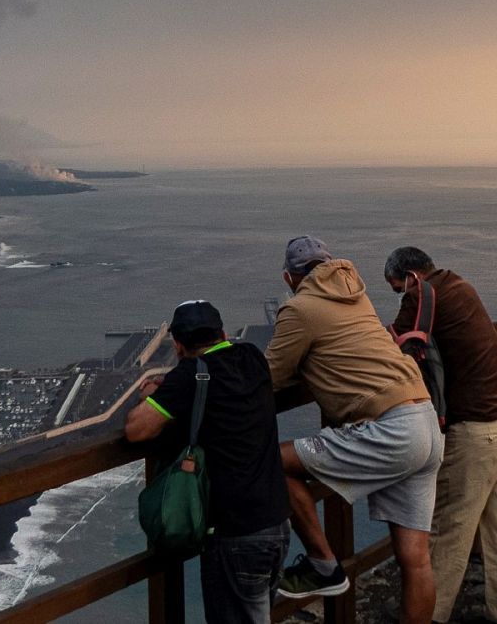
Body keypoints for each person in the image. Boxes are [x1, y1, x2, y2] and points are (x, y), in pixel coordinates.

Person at [266, 235, 444, 624]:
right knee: (416, 560)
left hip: (391, 430)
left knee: (271, 462)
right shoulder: (357, 296)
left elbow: (269, 377)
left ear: (288, 277)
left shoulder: (299, 309)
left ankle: (323, 564)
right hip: (426, 422)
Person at [385, 246, 497, 624]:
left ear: (411, 277)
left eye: (397, 289)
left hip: (479, 433)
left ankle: (431, 616)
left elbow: (389, 348)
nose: (401, 297)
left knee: (447, 532)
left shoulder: (421, 293)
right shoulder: (461, 285)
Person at [124, 300, 290, 624]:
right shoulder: (253, 358)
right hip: (277, 520)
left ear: (178, 346)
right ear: (223, 332)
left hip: (235, 533)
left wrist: (152, 396)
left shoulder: (188, 376)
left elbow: (135, 429)